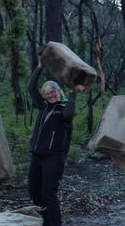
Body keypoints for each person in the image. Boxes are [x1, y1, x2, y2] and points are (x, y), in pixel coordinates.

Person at [28, 65, 84, 226]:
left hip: (54, 158)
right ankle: (46, 222)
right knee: (34, 191)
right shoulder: (43, 106)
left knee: (48, 194)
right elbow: (31, 87)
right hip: (37, 156)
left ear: (59, 91)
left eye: (53, 92)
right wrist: (39, 67)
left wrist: (73, 93)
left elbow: (69, 115)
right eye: (47, 93)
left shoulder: (64, 108)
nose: (50, 95)